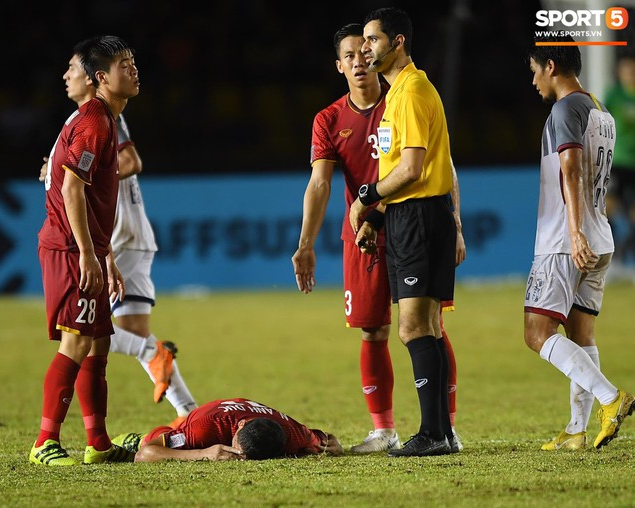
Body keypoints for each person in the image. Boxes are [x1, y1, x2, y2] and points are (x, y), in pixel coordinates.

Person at [292, 23, 465, 454]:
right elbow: (319, 185)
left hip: (408, 220)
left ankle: (445, 428)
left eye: (365, 49)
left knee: (429, 326)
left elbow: (439, 163)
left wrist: (456, 223)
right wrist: (306, 242)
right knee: (374, 330)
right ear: (339, 66)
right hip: (364, 236)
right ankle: (384, 429)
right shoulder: (329, 119)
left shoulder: (402, 96)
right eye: (349, 54)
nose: (360, 59)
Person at [40, 45, 198, 426]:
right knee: (115, 334)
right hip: (109, 238)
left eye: (71, 69)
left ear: (95, 78)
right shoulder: (86, 119)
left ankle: (53, 437)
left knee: (91, 336)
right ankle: (187, 412)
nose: (66, 77)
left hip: (115, 236)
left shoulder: (102, 118)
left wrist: (96, 247)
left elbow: (127, 163)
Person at [349, 8, 458, 457]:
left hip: (418, 218)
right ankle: (440, 434)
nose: (365, 49)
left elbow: (412, 169)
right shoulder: (399, 94)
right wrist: (378, 218)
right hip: (413, 216)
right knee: (425, 325)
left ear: (397, 42)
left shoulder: (410, 91)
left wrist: (367, 195)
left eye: (372, 40)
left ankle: (433, 433)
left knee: (413, 326)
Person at [30, 35, 139, 466]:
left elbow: (91, 200)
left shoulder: (102, 119)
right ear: (101, 78)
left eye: (133, 62)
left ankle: (97, 442)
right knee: (77, 342)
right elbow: (73, 189)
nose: (133, 70)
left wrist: (105, 254)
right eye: (123, 65)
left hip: (85, 246)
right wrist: (87, 255)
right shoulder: (95, 121)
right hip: (68, 247)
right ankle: (44, 442)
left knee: (97, 344)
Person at [525, 35, 634, 451]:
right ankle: (576, 429)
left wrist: (573, 232)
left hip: (565, 241)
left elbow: (569, 167)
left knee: (537, 333)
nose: (533, 80)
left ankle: (611, 398)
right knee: (582, 334)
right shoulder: (600, 109)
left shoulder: (564, 108)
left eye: (535, 69)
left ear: (551, 66)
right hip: (600, 234)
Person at [111, 397, 343, 462]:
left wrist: (333, 443)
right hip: (206, 417)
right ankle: (139, 436)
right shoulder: (204, 429)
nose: (238, 456)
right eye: (238, 449)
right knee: (153, 439)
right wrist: (203, 453)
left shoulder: (296, 435)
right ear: (240, 427)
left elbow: (325, 439)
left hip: (241, 413)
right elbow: (145, 455)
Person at [604, 53, 635, 273]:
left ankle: (623, 255)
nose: (630, 74)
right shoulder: (614, 96)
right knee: (606, 210)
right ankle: (608, 258)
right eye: (627, 70)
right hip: (617, 162)